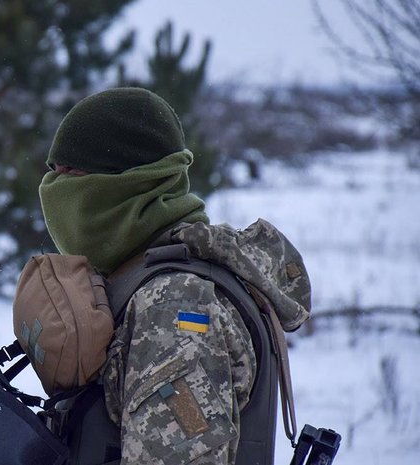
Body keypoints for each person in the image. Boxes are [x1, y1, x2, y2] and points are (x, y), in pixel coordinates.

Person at [38, 87, 311, 464]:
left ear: (129, 182)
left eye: (72, 175)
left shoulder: (175, 305)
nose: (55, 191)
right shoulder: (136, 276)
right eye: (55, 173)